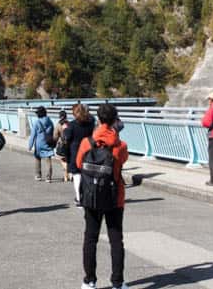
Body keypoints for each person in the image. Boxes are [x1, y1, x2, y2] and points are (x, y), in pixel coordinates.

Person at [75, 103, 129, 289]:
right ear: (115, 120)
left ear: (98, 119)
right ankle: (117, 283)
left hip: (91, 196)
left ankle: (89, 281)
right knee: (116, 240)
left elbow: (79, 163)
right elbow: (122, 160)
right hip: (115, 197)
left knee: (90, 238)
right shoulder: (120, 146)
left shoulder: (86, 143)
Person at [63, 103, 95, 205]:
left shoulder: (71, 125)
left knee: (77, 176)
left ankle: (79, 199)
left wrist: (64, 129)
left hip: (75, 153)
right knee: (87, 176)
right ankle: (88, 197)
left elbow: (66, 139)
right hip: (88, 151)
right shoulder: (90, 124)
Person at [28, 105, 57, 182]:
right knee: (48, 160)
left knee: (38, 159)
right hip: (47, 143)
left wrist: (30, 146)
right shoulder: (50, 121)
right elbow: (53, 133)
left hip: (39, 144)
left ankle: (38, 175)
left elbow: (33, 135)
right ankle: (48, 177)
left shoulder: (37, 122)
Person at [54, 109, 70, 176]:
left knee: (62, 159)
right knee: (67, 159)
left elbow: (55, 135)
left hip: (61, 145)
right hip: (69, 144)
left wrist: (54, 144)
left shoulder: (58, 125)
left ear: (59, 116)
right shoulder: (70, 123)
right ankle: (66, 176)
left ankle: (66, 170)